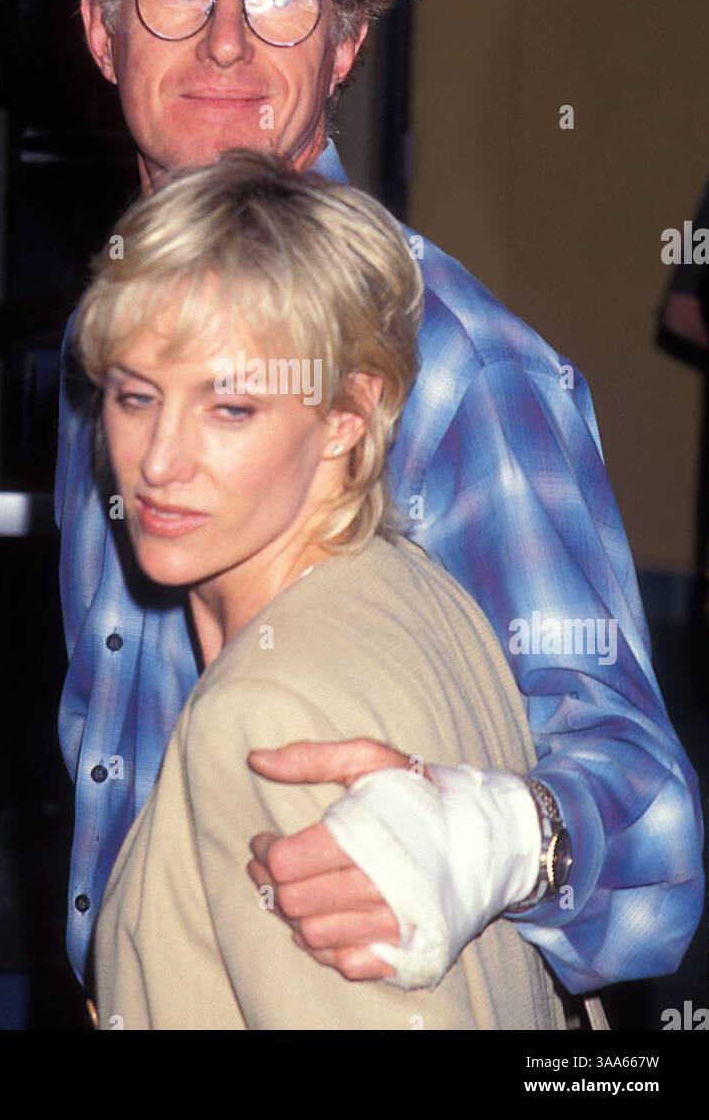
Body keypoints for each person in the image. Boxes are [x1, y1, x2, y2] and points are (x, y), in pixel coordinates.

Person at [56, 0, 703, 1007]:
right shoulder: (122, 335)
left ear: (348, 41)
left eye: (286, 0)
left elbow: (659, 847)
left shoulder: (457, 362)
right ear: (103, 28)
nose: (228, 42)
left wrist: (494, 835)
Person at [75, 148, 566, 1029]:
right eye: (135, 396)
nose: (157, 462)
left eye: (231, 408)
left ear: (346, 414)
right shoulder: (411, 583)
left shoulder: (267, 717)